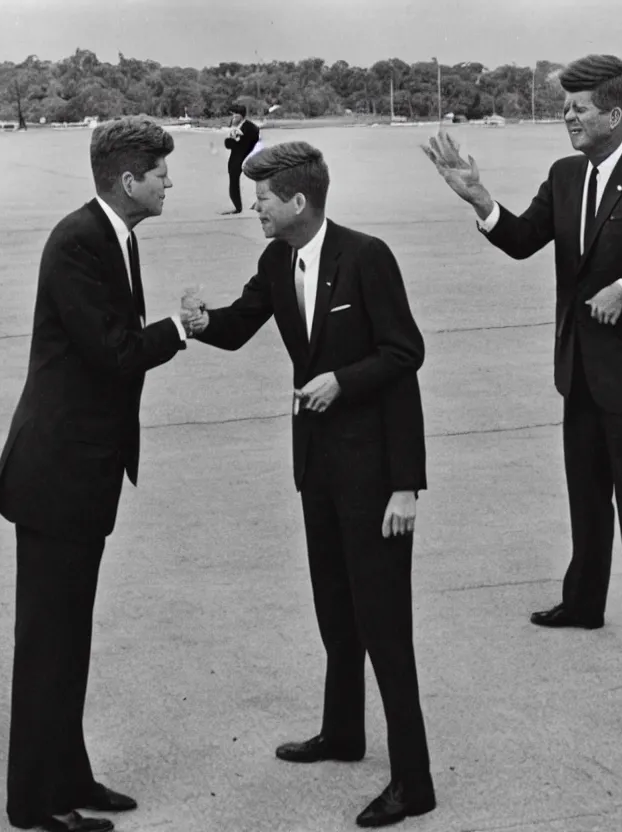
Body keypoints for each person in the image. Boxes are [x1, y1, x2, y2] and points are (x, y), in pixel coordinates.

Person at [423, 54, 622, 688]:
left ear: (614, 113)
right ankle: (584, 604)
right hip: (579, 370)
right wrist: (480, 199)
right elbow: (524, 239)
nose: (568, 116)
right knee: (586, 498)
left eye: (579, 107)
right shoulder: (565, 174)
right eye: (567, 106)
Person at [183, 141, 435, 828]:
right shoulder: (276, 259)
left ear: (297, 201)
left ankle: (414, 782)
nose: (254, 207)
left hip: (377, 476)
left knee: (385, 627)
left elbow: (404, 354)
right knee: (336, 612)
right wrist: (202, 324)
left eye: (261, 197)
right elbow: (240, 326)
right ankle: (343, 732)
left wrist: (404, 483)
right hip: (317, 469)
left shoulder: (367, 256)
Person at [0, 117, 189, 832]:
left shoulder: (114, 236)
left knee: (69, 637)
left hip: (82, 473)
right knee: (48, 641)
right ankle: (34, 803)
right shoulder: (80, 241)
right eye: (162, 172)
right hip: (55, 476)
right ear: (129, 181)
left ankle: (68, 775)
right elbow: (112, 351)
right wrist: (179, 327)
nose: (172, 182)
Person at [222, 103, 260, 214]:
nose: (233, 118)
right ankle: (238, 206)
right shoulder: (237, 127)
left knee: (240, 182)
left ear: (241, 116)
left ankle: (239, 208)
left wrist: (235, 140)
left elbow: (243, 145)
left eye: (235, 116)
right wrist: (233, 139)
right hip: (237, 159)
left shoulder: (251, 128)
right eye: (232, 116)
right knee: (234, 183)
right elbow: (228, 144)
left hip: (245, 158)